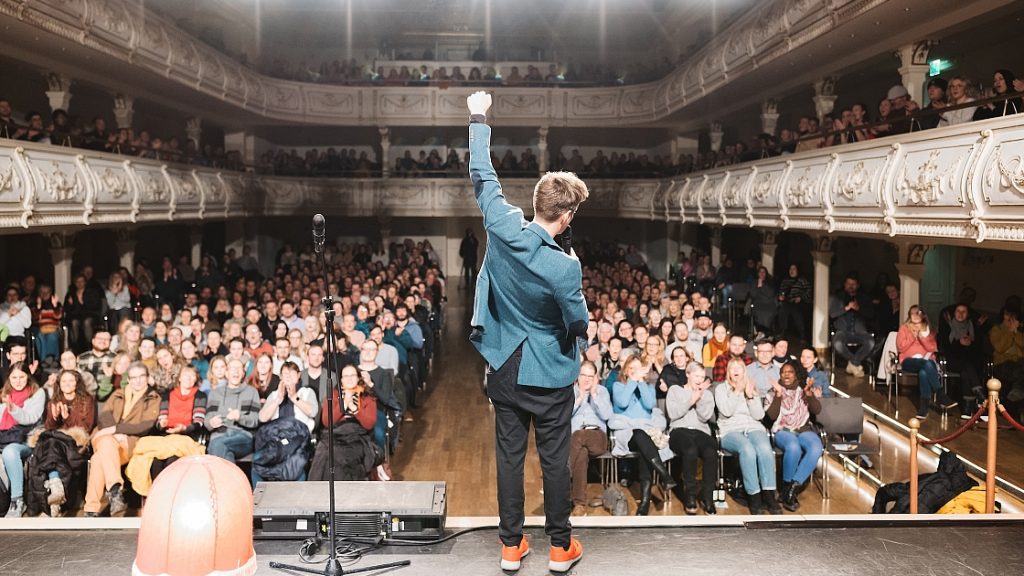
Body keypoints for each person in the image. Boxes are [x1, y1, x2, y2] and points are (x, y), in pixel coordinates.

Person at [466, 90, 586, 572]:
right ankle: (560, 548)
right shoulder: (564, 268)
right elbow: (577, 324)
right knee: (554, 460)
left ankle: (511, 547)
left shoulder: (501, 224)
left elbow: (482, 173)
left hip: (504, 364)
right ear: (567, 216)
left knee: (509, 459)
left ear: (537, 203)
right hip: (550, 373)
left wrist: (478, 116)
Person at [84, 361, 160, 517]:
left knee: (98, 458)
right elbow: (104, 415)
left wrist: (116, 430)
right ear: (129, 379)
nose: (137, 380)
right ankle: (115, 488)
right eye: (134, 377)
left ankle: (91, 509)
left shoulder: (153, 398)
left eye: (141, 376)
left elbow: (145, 426)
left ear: (147, 377)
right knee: (106, 442)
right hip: (106, 436)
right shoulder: (118, 394)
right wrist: (113, 432)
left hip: (128, 441)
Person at [609, 355, 676, 516]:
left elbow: (649, 404)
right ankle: (665, 475)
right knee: (639, 435)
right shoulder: (618, 386)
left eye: (637, 369)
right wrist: (633, 380)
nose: (634, 371)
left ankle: (644, 502)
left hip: (646, 434)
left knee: (644, 444)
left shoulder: (648, 387)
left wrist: (641, 383)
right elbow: (623, 402)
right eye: (631, 368)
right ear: (625, 370)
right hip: (626, 433)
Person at [715, 358, 781, 514]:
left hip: (752, 426)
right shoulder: (720, 389)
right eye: (733, 368)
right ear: (728, 371)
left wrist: (751, 397)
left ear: (744, 371)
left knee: (765, 448)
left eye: (740, 368)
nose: (736, 370)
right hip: (730, 430)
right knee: (747, 449)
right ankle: (754, 496)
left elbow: (758, 415)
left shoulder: (751, 387)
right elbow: (726, 411)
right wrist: (737, 392)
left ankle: (769, 495)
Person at [24, 369, 95, 517]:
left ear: (77, 383)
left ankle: (54, 492)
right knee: (48, 446)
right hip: (55, 442)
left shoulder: (86, 400)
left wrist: (67, 418)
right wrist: (56, 417)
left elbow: (86, 427)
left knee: (51, 447)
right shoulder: (54, 401)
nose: (67, 384)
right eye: (64, 381)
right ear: (59, 384)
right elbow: (49, 428)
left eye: (71, 381)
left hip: (75, 443)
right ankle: (55, 491)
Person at [766, 360, 823, 512]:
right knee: (793, 447)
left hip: (803, 429)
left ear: (796, 374)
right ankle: (787, 489)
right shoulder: (774, 390)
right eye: (783, 371)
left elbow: (817, 410)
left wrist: (809, 395)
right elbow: (771, 416)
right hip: (782, 430)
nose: (786, 374)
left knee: (817, 447)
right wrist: (778, 395)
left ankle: (790, 490)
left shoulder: (803, 391)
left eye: (790, 371)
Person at [308, 364, 377, 481]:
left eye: (353, 375)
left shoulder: (367, 397)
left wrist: (354, 409)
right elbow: (326, 421)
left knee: (338, 456)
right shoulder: (333, 396)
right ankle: (317, 490)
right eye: (346, 376)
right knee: (323, 452)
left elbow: (369, 423)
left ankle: (342, 492)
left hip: (356, 437)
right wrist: (344, 404)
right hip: (334, 434)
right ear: (341, 380)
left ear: (358, 378)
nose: (349, 378)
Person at [666, 361, 717, 515]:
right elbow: (673, 415)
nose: (699, 379)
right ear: (688, 374)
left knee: (710, 452)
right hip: (679, 431)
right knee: (690, 450)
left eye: (702, 376)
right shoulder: (675, 390)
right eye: (696, 375)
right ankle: (691, 496)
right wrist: (691, 400)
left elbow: (705, 417)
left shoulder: (707, 394)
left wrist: (700, 398)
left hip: (700, 431)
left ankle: (708, 498)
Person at [1, 362, 47, 517]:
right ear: (9, 378)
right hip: (4, 437)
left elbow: (31, 418)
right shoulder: (3, 394)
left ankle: (17, 500)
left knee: (9, 452)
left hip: (26, 440)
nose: (18, 380)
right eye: (14, 377)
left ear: (28, 377)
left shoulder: (37, 393)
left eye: (22, 376)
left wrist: (13, 409)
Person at [568, 361, 612, 516]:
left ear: (596, 378)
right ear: (577, 376)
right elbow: (563, 417)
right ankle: (579, 505)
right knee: (581, 455)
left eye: (590, 376)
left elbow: (607, 416)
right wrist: (579, 400)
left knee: (579, 436)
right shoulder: (571, 392)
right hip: (576, 442)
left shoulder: (602, 391)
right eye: (583, 375)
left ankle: (561, 479)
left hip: (597, 437)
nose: (586, 379)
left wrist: (594, 395)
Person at [898, 306, 957, 419]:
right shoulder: (904, 328)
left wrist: (922, 338)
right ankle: (940, 394)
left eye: (918, 313)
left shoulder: (930, 330)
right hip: (909, 361)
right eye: (912, 313)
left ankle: (923, 408)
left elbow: (933, 348)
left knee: (924, 372)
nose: (915, 315)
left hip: (926, 361)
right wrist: (913, 337)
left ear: (923, 315)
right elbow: (901, 348)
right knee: (927, 364)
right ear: (909, 316)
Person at [205, 358, 261, 463]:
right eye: (232, 368)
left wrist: (240, 417)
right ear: (226, 373)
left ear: (243, 373)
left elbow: (255, 420)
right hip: (219, 435)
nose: (235, 371)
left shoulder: (252, 392)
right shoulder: (215, 393)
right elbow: (207, 420)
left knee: (216, 447)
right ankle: (231, 479)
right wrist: (211, 423)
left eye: (239, 368)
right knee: (224, 452)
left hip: (242, 437)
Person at [828, 275, 875, 377]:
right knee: (837, 343)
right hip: (842, 330)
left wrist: (859, 309)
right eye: (849, 284)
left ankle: (853, 363)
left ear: (857, 285)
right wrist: (846, 308)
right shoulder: (837, 297)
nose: (851, 286)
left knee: (870, 342)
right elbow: (832, 314)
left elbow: (871, 315)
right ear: (845, 284)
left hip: (860, 331)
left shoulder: (864, 298)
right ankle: (856, 364)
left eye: (853, 284)